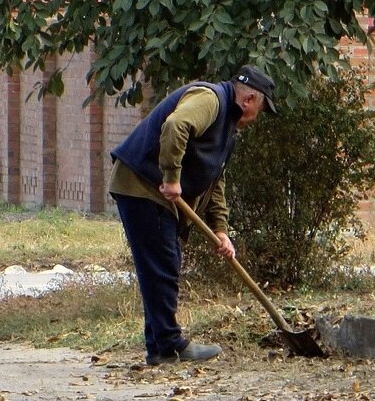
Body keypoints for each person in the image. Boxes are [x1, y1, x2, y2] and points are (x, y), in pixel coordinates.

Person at [109, 65, 277, 365]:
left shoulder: (227, 128)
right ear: (249, 99)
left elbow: (215, 181)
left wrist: (221, 229)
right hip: (142, 185)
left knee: (159, 267)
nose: (256, 118)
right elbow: (175, 126)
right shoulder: (210, 100)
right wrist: (171, 177)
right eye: (260, 110)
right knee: (163, 266)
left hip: (151, 191)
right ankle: (170, 345)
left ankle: (160, 347)